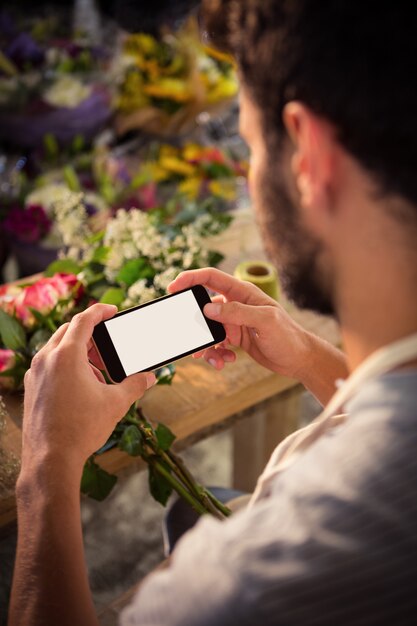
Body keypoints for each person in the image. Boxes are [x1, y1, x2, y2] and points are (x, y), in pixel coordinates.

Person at [8, 0, 417, 624]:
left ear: (309, 156)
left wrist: (46, 468)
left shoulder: (252, 580)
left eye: (251, 144)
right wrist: (308, 355)